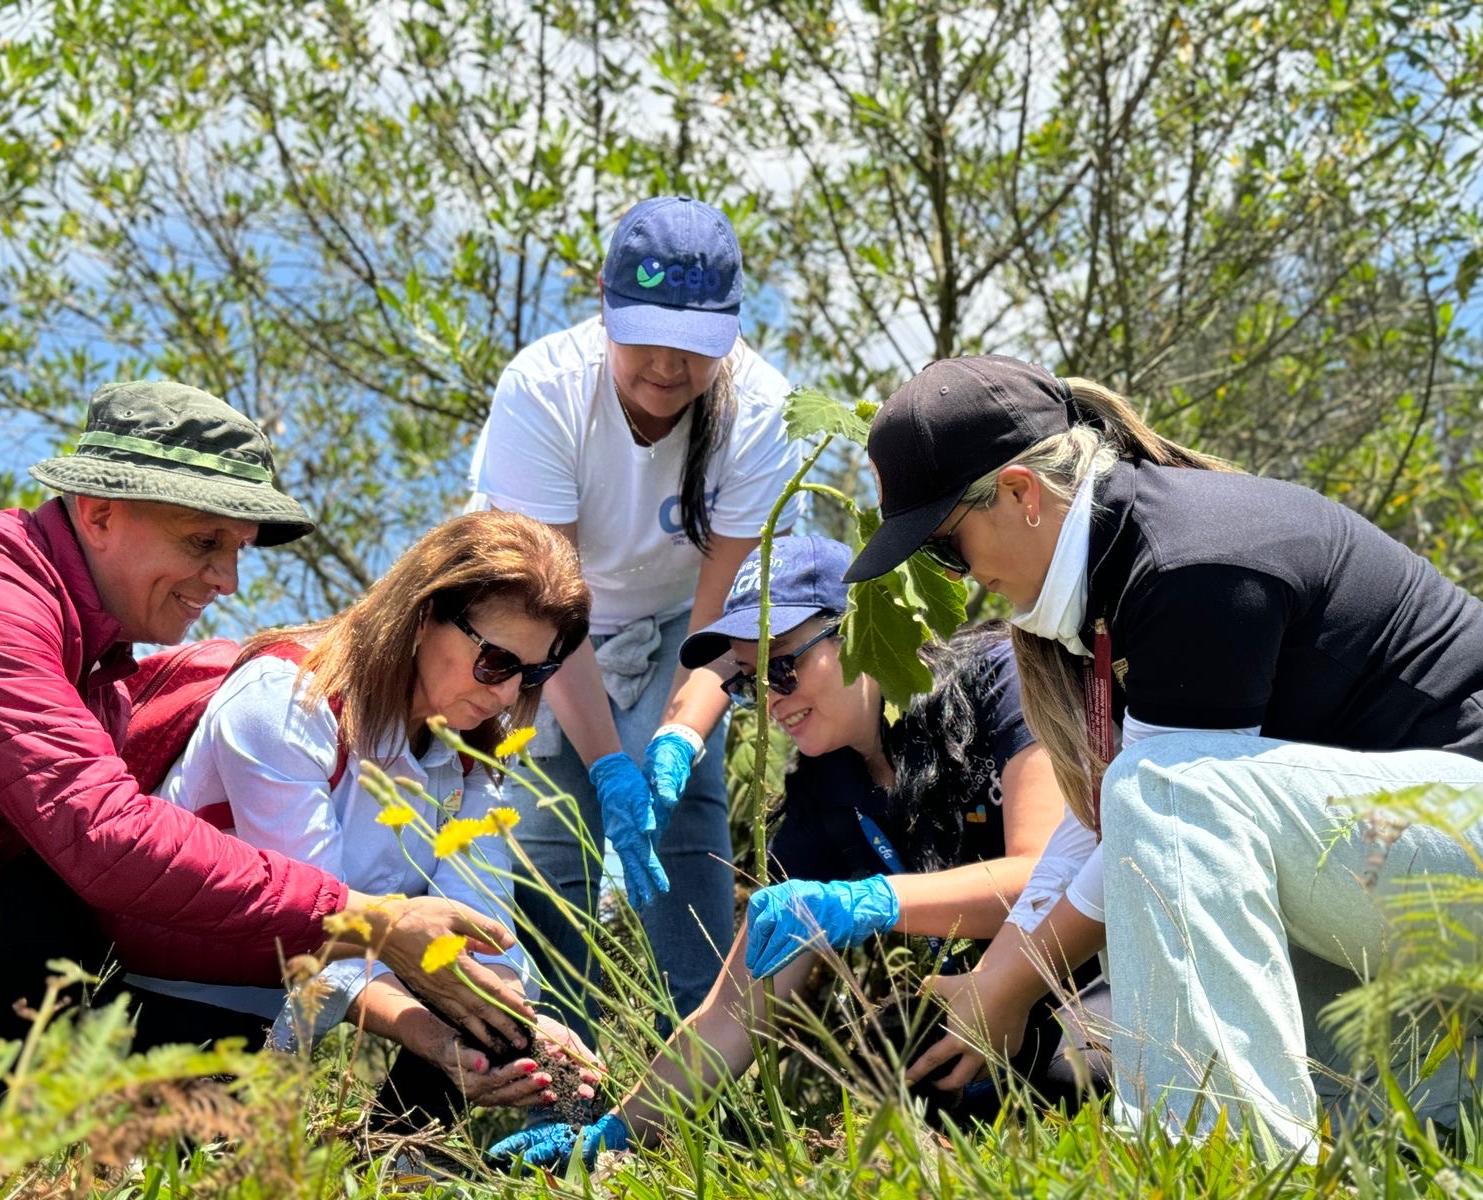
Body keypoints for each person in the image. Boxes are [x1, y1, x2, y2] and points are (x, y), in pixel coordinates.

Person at [842, 354, 1483, 1156]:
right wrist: (993, 980)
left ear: (1018, 493)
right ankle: (1390, 1121)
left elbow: (1158, 808)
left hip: (1462, 849)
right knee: (1143, 830)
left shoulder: (1189, 565)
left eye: (945, 547)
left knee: (1157, 803)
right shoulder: (1115, 572)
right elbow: (1110, 828)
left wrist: (1007, 985)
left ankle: (1216, 1161)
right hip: (1412, 887)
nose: (961, 577)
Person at [0, 382, 532, 1057]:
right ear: (100, 514)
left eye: (239, 548)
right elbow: (103, 835)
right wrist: (370, 918)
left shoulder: (97, 666)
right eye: (203, 541)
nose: (227, 579)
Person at [488, 536, 1106, 1169]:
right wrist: (614, 1131)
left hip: (1108, 967)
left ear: (861, 627)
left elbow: (1047, 878)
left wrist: (868, 900)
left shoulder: (1000, 680)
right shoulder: (822, 798)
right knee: (897, 1057)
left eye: (782, 665)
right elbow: (732, 1011)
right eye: (749, 683)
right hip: (992, 1006)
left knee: (1064, 1076)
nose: (772, 698)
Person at [132, 510, 601, 1118]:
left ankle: (414, 1166)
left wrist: (522, 1027)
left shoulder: (468, 754)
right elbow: (315, 923)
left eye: (534, 673)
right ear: (424, 614)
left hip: (291, 1017)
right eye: (495, 663)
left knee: (501, 1015)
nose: (508, 694)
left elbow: (483, 926)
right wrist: (434, 1037)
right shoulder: (286, 699)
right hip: (178, 996)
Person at [468, 195, 804, 1040]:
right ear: (603, 303)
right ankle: (554, 1052)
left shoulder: (761, 409)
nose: (666, 364)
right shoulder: (543, 391)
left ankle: (699, 1053)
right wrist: (610, 764)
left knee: (688, 803)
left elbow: (723, 615)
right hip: (544, 615)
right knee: (552, 823)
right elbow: (549, 605)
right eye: (645, 333)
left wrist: (677, 738)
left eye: (694, 344)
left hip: (681, 620)